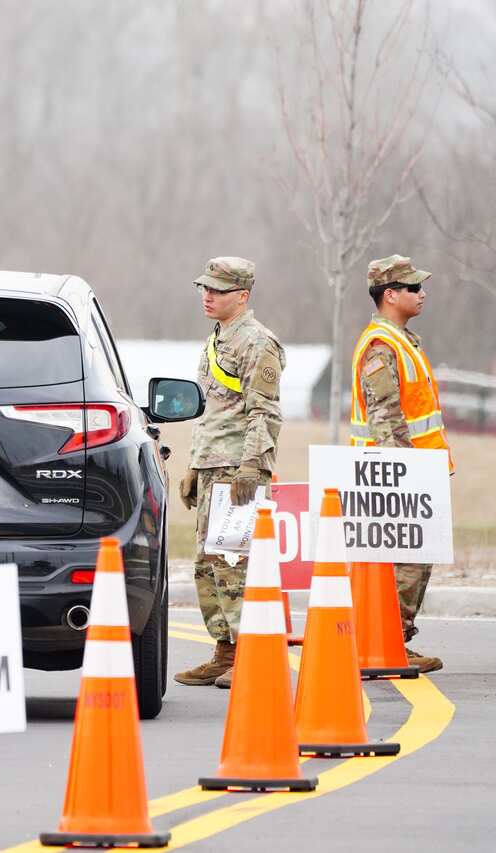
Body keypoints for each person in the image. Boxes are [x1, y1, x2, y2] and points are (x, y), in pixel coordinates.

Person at [174, 257, 285, 689]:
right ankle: (226, 650)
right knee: (208, 564)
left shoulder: (257, 342)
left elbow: (264, 412)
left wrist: (251, 466)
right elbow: (211, 411)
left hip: (238, 468)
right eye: (205, 288)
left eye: (217, 290)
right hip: (212, 465)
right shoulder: (217, 340)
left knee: (235, 562)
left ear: (242, 296)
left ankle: (251, 652)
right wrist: (193, 464)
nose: (207, 296)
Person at [350, 254, 452, 674]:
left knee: (412, 557)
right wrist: (405, 473)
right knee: (403, 560)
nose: (422, 293)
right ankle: (389, 641)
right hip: (397, 474)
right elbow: (385, 416)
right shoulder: (382, 346)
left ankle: (393, 638)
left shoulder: (401, 340)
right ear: (390, 295)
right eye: (414, 288)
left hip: (414, 470)